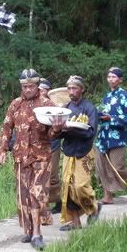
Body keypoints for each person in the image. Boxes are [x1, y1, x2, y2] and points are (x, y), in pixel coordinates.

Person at [0, 69, 57, 250]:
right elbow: (7, 127)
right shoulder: (15, 104)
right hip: (20, 157)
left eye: (31, 86)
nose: (28, 89)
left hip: (41, 156)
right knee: (23, 194)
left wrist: (57, 127)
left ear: (37, 85)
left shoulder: (47, 104)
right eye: (24, 86)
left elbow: (53, 134)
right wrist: (2, 150)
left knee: (37, 193)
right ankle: (28, 230)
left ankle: (37, 234)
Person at [51, 75, 100, 231]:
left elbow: (90, 132)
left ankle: (94, 208)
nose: (71, 91)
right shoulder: (66, 108)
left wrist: (72, 128)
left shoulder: (90, 108)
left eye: (74, 88)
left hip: (84, 151)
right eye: (69, 88)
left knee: (80, 185)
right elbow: (59, 135)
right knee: (67, 187)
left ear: (82, 89)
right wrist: (58, 130)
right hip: (69, 151)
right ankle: (75, 222)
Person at [95, 67, 127, 204]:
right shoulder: (107, 97)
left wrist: (109, 118)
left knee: (118, 168)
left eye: (114, 77)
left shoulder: (125, 96)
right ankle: (108, 196)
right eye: (109, 77)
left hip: (118, 137)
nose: (111, 79)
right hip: (103, 137)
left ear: (120, 80)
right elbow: (103, 114)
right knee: (103, 167)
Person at [39, 78, 62, 214]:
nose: (41, 91)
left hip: (53, 145)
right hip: (38, 147)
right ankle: (43, 205)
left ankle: (59, 201)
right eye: (39, 89)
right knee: (40, 177)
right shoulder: (35, 105)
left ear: (49, 91)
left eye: (44, 89)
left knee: (52, 176)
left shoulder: (55, 105)